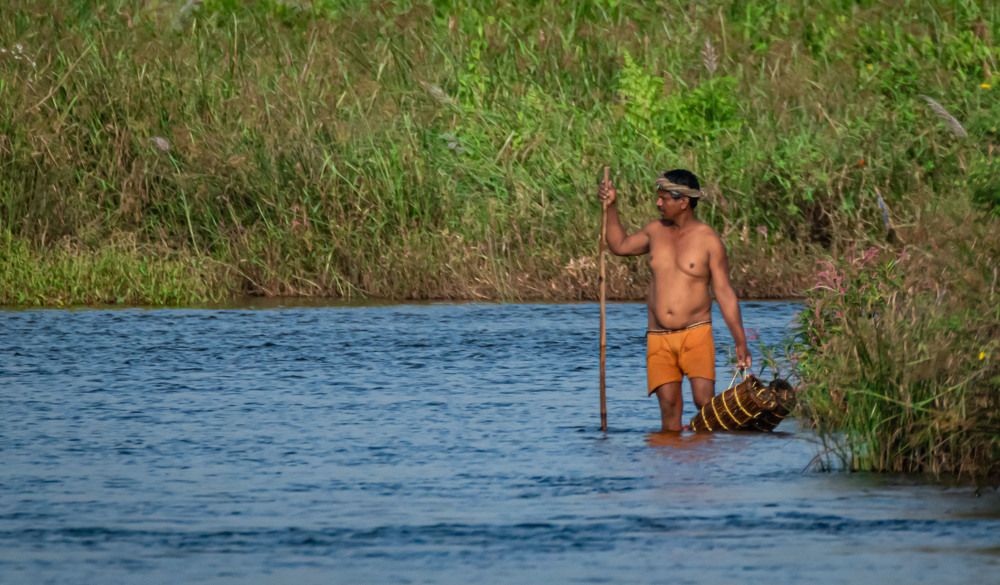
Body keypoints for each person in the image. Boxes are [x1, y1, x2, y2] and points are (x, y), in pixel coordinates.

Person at [598, 169, 751, 432]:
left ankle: (704, 463)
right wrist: (612, 207)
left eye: (664, 198)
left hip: (696, 334)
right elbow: (619, 246)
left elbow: (724, 293)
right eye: (658, 198)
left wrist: (740, 341)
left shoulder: (708, 240)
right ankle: (670, 467)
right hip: (658, 337)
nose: (658, 203)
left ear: (683, 202)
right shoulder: (654, 231)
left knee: (704, 402)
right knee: (668, 405)